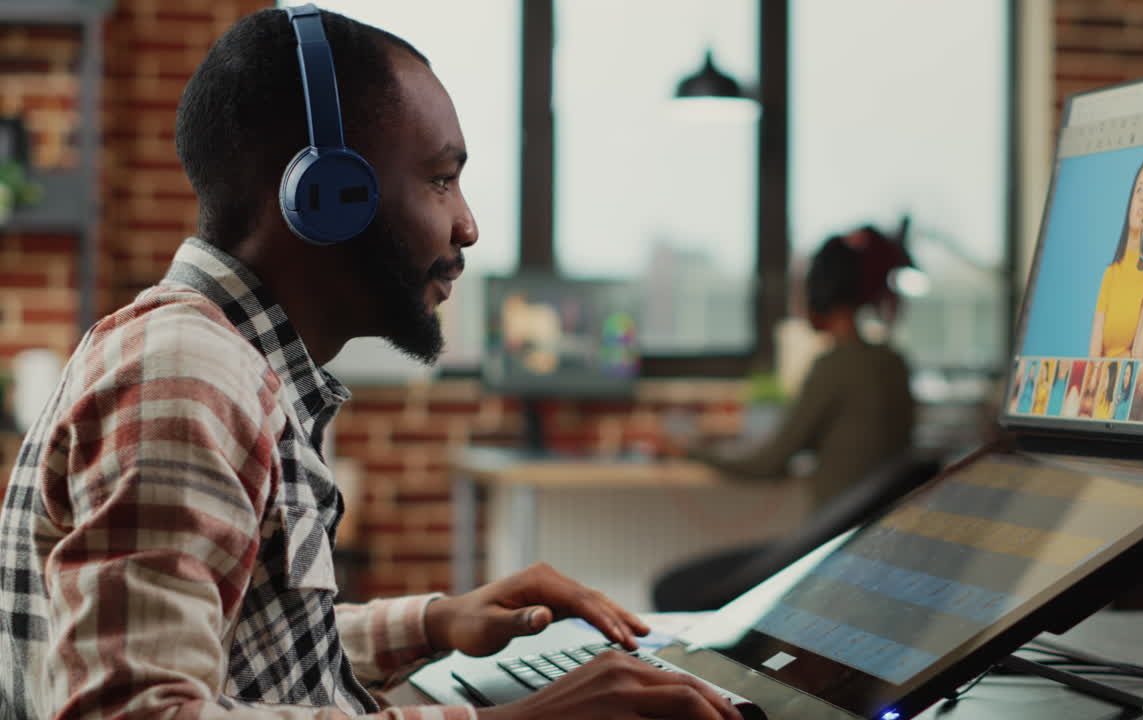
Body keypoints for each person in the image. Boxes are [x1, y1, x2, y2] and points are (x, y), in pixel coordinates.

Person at [0, 9, 741, 720]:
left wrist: (436, 621)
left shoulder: (224, 362)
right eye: (441, 179)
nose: (468, 225)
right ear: (327, 198)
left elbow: (243, 647)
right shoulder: (186, 375)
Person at [681, 226, 916, 507]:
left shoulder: (835, 366)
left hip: (836, 536)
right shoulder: (894, 363)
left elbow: (767, 464)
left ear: (818, 290)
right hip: (884, 531)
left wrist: (686, 449)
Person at [1089, 155, 1143, 359]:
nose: (1142, 197)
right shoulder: (1111, 273)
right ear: (1130, 202)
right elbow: (1093, 355)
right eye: (1138, 189)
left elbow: (1138, 354)